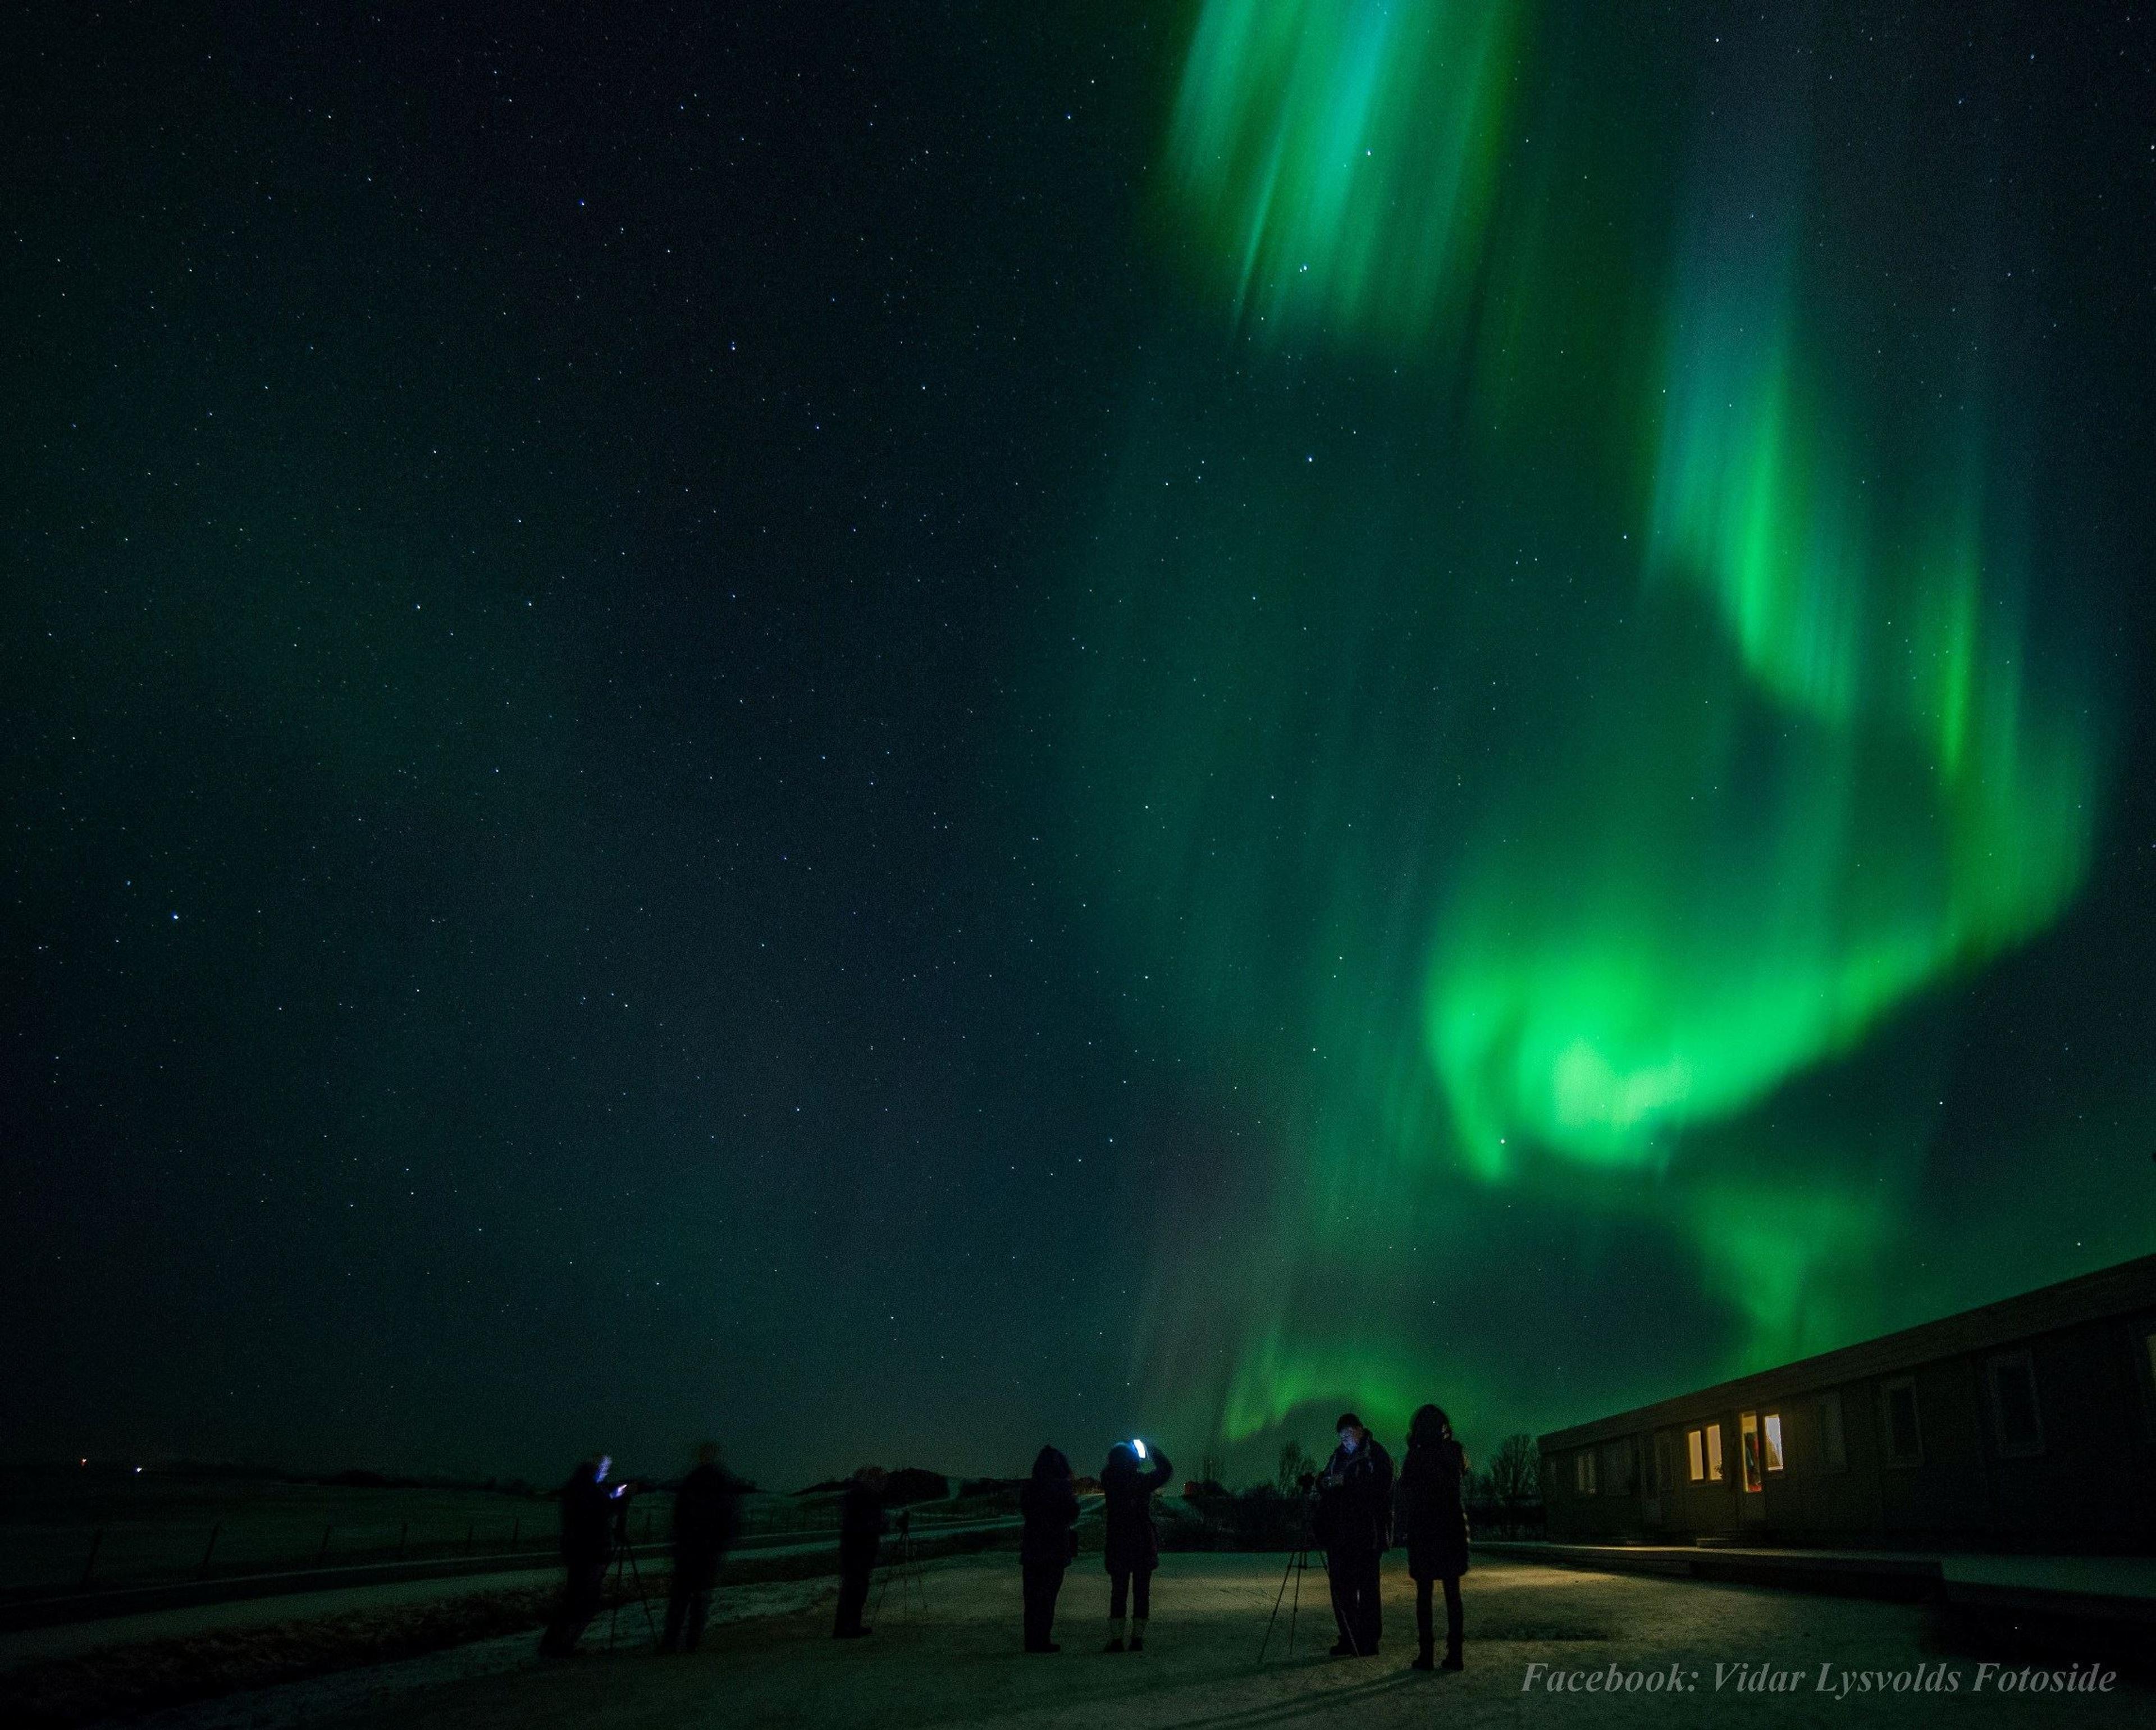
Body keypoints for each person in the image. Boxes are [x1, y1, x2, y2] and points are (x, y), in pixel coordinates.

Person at [1395, 1403, 1469, 1671]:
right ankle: (1455, 1654)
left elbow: (1405, 1491)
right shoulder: (1454, 1452)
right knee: (1452, 1594)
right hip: (1451, 1530)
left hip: (1424, 1530)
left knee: (1424, 1594)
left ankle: (1426, 1654)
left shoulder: (1415, 1457)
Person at [1314, 1413, 1393, 1657]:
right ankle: (1349, 1637)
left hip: (1367, 1534)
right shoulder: (1338, 1456)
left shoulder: (1376, 1455)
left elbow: (1381, 1488)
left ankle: (1368, 1640)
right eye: (1341, 1437)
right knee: (1342, 1588)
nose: (1345, 1440)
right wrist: (1322, 1483)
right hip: (1341, 1535)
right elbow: (1328, 1480)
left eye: (1348, 1435)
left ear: (1359, 1430)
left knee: (1368, 1589)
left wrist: (1346, 1482)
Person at [659, 1441, 744, 1653]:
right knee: (697, 1597)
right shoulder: (720, 1480)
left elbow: (680, 1514)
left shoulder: (695, 1480)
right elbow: (729, 1515)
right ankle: (690, 1642)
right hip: (703, 1550)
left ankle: (674, 1641)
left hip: (692, 1549)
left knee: (683, 1597)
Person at [539, 1453, 616, 1658]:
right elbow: (597, 1511)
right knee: (581, 1601)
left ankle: (557, 1644)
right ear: (596, 1466)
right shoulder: (586, 1488)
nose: (606, 1471)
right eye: (604, 1466)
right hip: (588, 1552)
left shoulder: (584, 1485)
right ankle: (559, 1646)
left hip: (584, 1552)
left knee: (577, 1599)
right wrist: (616, 1499)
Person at [1099, 1439, 1171, 1652]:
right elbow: (1166, 1471)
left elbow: (1109, 1470)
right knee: (1142, 1592)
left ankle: (1116, 1639)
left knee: (1118, 1592)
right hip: (1142, 1544)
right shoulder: (1141, 1482)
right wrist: (1151, 1450)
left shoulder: (1109, 1480)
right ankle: (1137, 1639)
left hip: (1118, 1543)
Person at [1018, 1445, 1080, 1652]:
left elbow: (1026, 1510)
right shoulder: (1062, 1487)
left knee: (1032, 1598)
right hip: (1054, 1549)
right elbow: (1072, 1512)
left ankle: (1031, 1640)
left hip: (1032, 1549)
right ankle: (1042, 1639)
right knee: (1047, 1598)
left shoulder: (1031, 1487)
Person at [832, 1466, 888, 1638]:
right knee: (854, 1589)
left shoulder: (857, 1495)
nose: (883, 1484)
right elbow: (862, 1525)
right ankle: (847, 1628)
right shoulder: (864, 1497)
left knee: (855, 1588)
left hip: (856, 1549)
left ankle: (850, 1626)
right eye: (880, 1480)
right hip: (859, 1550)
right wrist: (878, 1526)